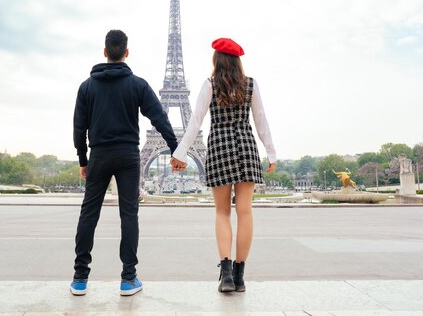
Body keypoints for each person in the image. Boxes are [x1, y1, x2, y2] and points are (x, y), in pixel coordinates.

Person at [71, 29, 184, 297]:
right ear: (127, 52)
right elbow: (159, 118)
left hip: (99, 154)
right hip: (128, 156)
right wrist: (175, 148)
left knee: (89, 213)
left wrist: (82, 159)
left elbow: (79, 128)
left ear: (105, 52)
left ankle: (79, 278)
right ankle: (128, 277)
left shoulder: (86, 87)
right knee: (129, 214)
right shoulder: (138, 85)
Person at [171, 37, 276, 293]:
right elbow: (261, 121)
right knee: (245, 212)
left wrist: (180, 152)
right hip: (246, 145)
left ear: (216, 60)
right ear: (237, 61)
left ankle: (226, 274)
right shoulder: (251, 84)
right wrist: (271, 153)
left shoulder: (210, 85)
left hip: (219, 145)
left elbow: (195, 121)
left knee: (222, 213)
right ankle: (240, 276)